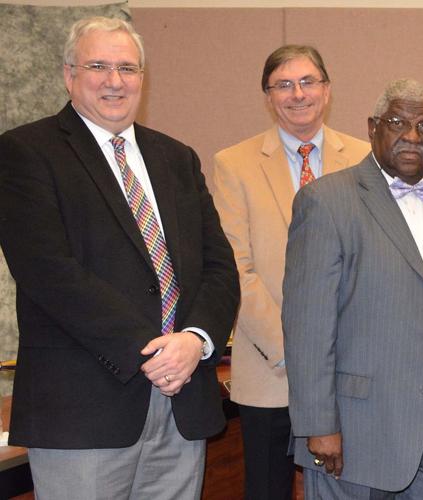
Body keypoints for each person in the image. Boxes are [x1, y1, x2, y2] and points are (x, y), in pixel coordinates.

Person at [0, 16, 239, 499]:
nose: (115, 80)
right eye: (98, 66)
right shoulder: (25, 151)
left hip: (181, 402)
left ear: (142, 78)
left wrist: (194, 341)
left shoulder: (177, 157)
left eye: (127, 68)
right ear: (69, 74)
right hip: (83, 411)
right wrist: (152, 351)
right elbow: (48, 273)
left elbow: (219, 267)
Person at [282, 78, 423, 498]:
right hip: (359, 423)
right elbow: (308, 327)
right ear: (372, 127)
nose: (413, 136)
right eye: (398, 123)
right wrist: (318, 423)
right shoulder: (327, 201)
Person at [210, 45, 370, 500]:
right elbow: (235, 267)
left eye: (307, 82)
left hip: (349, 372)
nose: (297, 94)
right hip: (271, 369)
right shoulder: (233, 164)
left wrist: (336, 355)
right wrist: (293, 351)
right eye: (283, 85)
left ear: (327, 90)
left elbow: (376, 265)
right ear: (268, 96)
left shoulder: (365, 160)